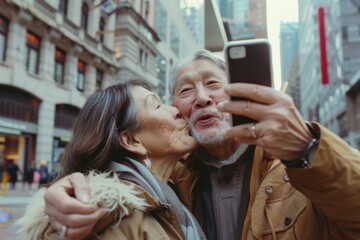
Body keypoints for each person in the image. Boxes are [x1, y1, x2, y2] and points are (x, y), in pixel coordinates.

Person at [42, 50, 360, 240]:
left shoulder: (298, 168)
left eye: (213, 83)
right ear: (176, 108)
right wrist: (70, 193)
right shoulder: (167, 185)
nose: (203, 98)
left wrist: (307, 149)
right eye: (185, 90)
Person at [16, 79, 206, 239]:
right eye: (156, 105)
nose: (175, 110)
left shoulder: (176, 193)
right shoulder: (113, 220)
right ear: (132, 140)